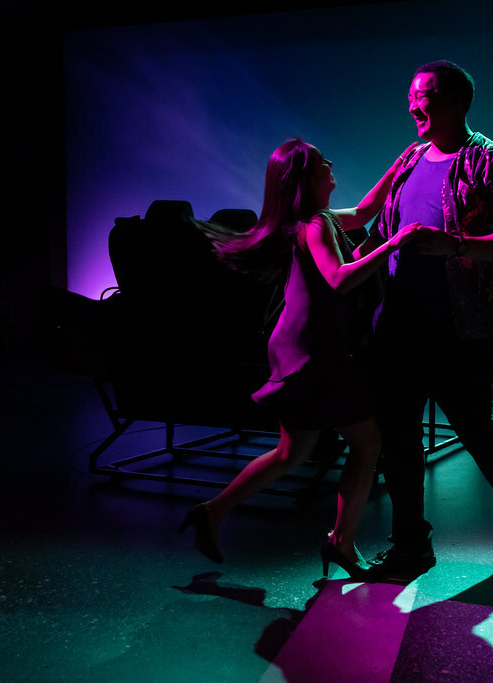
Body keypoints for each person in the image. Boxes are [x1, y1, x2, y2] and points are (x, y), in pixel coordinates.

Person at [179, 138, 424, 580]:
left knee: (292, 453)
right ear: (306, 180)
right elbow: (337, 280)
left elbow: (366, 212)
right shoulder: (314, 225)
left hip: (300, 345)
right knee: (367, 444)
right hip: (314, 352)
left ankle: (212, 511)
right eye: (321, 163)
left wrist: (398, 166)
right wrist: (394, 244)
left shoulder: (321, 219)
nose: (331, 164)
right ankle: (342, 544)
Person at [357, 60, 493, 582]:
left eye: (425, 95)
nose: (412, 104)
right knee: (399, 438)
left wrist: (453, 244)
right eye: (410, 94)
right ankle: (410, 547)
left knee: (475, 428)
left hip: (459, 326)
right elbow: (367, 221)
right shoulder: (409, 158)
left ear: (458, 102)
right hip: (397, 321)